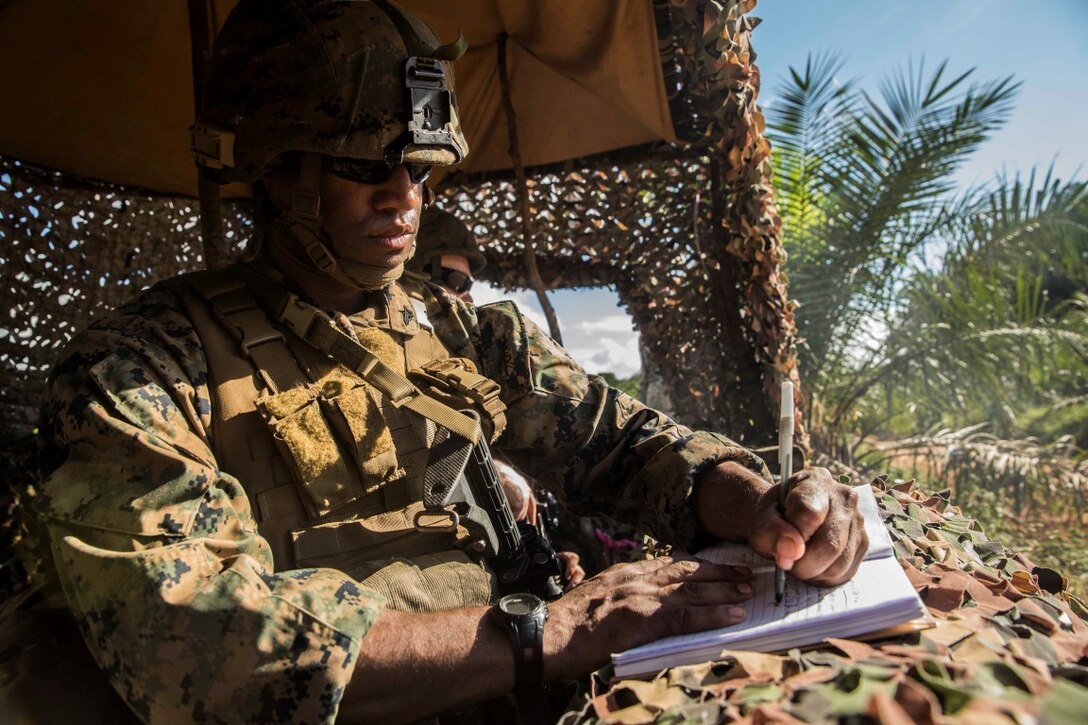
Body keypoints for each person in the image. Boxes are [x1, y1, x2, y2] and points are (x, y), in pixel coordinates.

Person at [29, 1, 867, 722]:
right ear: (278, 171)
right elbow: (205, 653)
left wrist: (755, 499)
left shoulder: (456, 327)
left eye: (422, 164)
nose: (405, 196)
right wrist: (557, 630)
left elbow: (619, 439)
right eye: (365, 164)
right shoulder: (140, 372)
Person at [406, 207, 587, 590]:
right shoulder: (388, 370)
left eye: (466, 282)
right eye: (450, 279)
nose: (464, 293)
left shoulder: (480, 360)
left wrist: (554, 556)